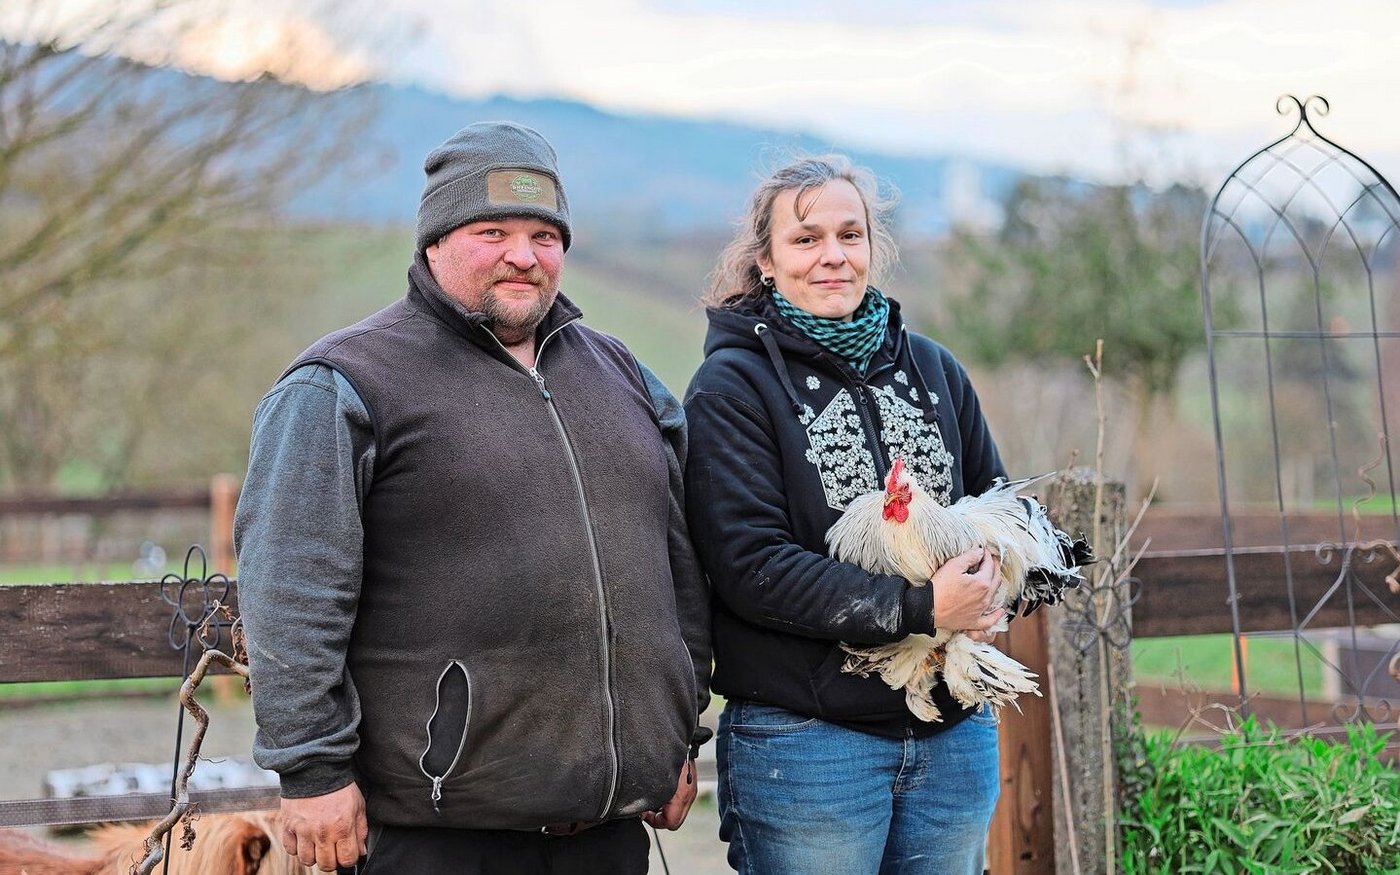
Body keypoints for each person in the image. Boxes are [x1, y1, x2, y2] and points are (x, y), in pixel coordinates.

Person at [234, 121, 712, 875]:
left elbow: (680, 566)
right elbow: (289, 593)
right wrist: (313, 771)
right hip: (438, 836)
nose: (523, 254)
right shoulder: (345, 383)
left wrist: (679, 734)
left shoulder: (621, 375)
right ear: (434, 242)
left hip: (608, 834)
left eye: (544, 234)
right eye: (493, 230)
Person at [683, 155, 1009, 875]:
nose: (833, 255)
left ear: (871, 247)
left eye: (850, 235)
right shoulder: (733, 387)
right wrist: (924, 605)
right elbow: (751, 566)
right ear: (766, 261)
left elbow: (993, 498)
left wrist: (991, 588)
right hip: (808, 742)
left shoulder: (934, 370)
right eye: (805, 239)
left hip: (951, 730)